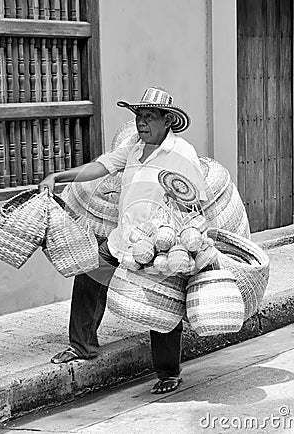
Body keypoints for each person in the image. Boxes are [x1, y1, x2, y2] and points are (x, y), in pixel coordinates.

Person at [39, 86, 207, 394]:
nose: (141, 123)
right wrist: (59, 177)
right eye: (139, 117)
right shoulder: (132, 146)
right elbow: (100, 167)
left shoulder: (182, 154)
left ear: (167, 120)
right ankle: (82, 346)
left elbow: (197, 201)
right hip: (123, 238)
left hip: (159, 244)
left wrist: (181, 241)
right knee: (90, 273)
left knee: (163, 304)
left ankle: (169, 373)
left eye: (149, 117)